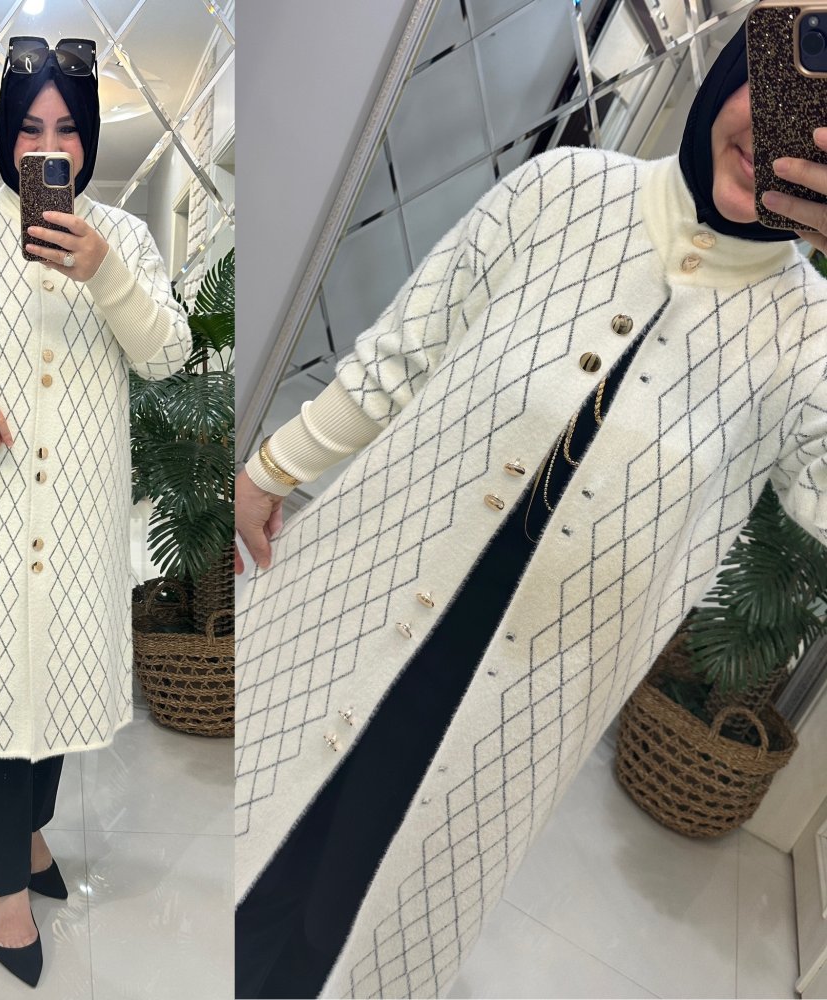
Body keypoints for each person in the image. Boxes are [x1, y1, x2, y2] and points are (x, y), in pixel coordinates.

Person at [234, 23, 827, 1000]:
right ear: (737, 64)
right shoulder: (564, 190)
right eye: (787, 87)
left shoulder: (810, 342)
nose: (783, 139)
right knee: (260, 833)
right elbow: (406, 347)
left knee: (352, 915)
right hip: (364, 591)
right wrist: (274, 466)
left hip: (519, 697)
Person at [0, 37, 191, 988]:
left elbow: (168, 356)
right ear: (5, 137)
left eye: (67, 129)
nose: (49, 149)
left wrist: (105, 271)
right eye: (30, 130)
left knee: (56, 680)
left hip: (77, 517)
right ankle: (3, 887)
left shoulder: (126, 241)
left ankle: (27, 836)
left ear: (90, 136)